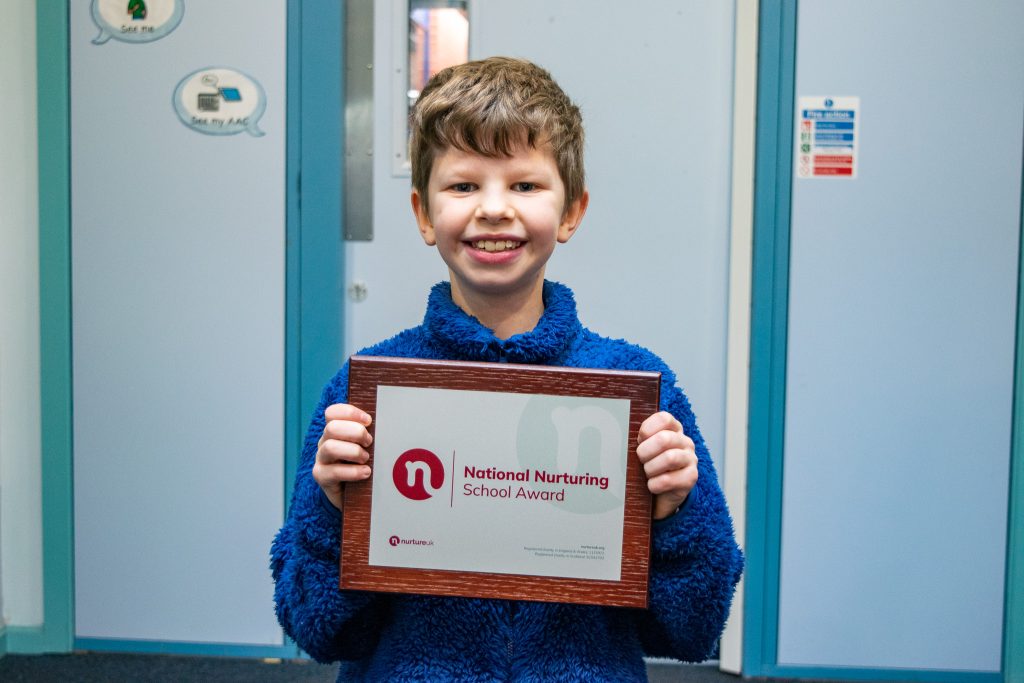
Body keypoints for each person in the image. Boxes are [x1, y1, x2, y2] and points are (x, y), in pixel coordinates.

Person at [271, 56, 743, 682]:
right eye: (464, 186)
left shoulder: (636, 391)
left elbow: (691, 629)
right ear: (422, 213)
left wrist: (678, 511)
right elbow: (316, 628)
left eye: (524, 185)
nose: (494, 209)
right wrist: (333, 511)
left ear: (571, 212)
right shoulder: (369, 391)